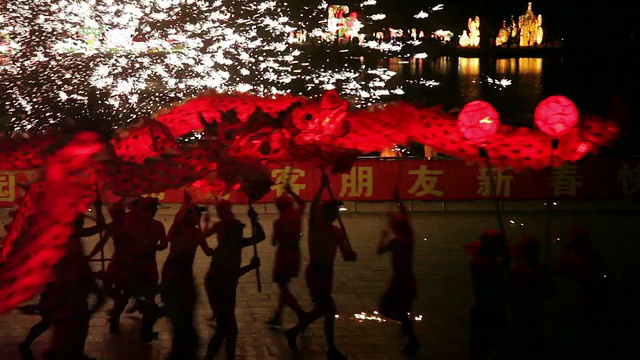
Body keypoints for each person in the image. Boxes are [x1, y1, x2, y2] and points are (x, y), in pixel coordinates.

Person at [19, 199, 106, 360]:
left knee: (61, 320)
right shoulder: (59, 236)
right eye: (77, 222)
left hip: (74, 284)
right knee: (51, 319)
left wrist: (99, 210)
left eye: (80, 222)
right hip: (60, 284)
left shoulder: (74, 234)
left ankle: (69, 352)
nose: (79, 224)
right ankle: (32, 344)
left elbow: (100, 227)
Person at [284, 172, 357, 360]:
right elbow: (312, 207)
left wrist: (351, 254)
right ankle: (331, 349)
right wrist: (322, 187)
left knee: (322, 310)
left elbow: (346, 256)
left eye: (335, 210)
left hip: (327, 273)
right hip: (315, 272)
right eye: (330, 210)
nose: (333, 213)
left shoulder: (338, 232)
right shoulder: (315, 225)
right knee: (328, 310)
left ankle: (295, 331)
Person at [204, 201, 265, 360]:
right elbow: (231, 274)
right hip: (219, 287)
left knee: (227, 328)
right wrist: (250, 267)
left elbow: (260, 236)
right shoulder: (225, 250)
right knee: (226, 327)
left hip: (227, 287)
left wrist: (254, 220)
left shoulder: (236, 243)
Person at [161, 191, 214, 360]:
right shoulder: (179, 228)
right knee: (177, 304)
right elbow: (207, 250)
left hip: (182, 271)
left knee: (184, 305)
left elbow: (207, 250)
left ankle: (183, 339)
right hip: (175, 270)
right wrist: (186, 204)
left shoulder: (192, 231)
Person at [376, 189, 419, 354]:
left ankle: (409, 333)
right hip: (404, 279)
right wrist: (398, 200)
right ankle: (407, 327)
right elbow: (405, 218)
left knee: (387, 307)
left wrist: (383, 236)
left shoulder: (401, 241)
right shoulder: (405, 240)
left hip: (403, 281)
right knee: (399, 310)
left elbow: (379, 250)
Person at [120, 197, 168, 342]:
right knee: (126, 293)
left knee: (150, 298)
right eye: (149, 209)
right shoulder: (131, 224)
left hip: (149, 265)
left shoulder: (158, 225)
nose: (152, 212)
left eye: (154, 209)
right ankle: (115, 318)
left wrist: (153, 247)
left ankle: (146, 330)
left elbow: (164, 244)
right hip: (134, 264)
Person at [266, 183, 306, 328]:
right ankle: (278, 315)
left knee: (283, 288)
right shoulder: (296, 215)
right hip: (295, 253)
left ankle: (301, 313)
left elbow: (273, 241)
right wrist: (291, 192)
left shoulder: (279, 222)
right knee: (284, 286)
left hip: (284, 255)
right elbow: (302, 203)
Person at [468, 230, 513, 360]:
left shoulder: (487, 262)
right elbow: (498, 288)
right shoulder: (482, 263)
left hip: (489, 311)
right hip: (488, 312)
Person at [85, 202, 129, 333]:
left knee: (124, 289)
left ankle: (116, 316)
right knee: (108, 287)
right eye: (113, 214)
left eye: (117, 213)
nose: (114, 216)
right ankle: (117, 310)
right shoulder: (113, 226)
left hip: (129, 261)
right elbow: (101, 242)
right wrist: (90, 256)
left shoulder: (130, 225)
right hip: (117, 259)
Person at [510, 235, 553, 359]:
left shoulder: (520, 269)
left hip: (532, 313)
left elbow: (549, 291)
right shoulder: (519, 269)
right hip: (524, 313)